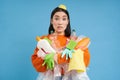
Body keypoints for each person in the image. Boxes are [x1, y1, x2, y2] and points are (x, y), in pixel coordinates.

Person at [31, 4, 91, 80]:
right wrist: (46, 60)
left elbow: (84, 61)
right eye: (56, 19)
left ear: (67, 22)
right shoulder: (44, 40)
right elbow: (37, 64)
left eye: (64, 19)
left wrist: (58, 58)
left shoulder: (75, 40)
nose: (60, 22)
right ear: (51, 21)